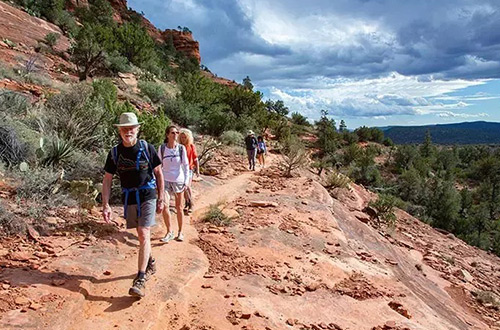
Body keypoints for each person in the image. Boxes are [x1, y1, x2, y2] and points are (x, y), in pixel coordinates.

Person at [101, 112, 164, 298]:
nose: (128, 131)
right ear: (119, 131)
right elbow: (107, 179)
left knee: (144, 232)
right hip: (129, 197)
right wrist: (105, 205)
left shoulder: (147, 148)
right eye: (124, 128)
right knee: (139, 233)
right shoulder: (114, 153)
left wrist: (161, 197)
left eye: (131, 128)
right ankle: (150, 261)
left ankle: (141, 279)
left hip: (148, 194)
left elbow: (159, 173)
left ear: (138, 129)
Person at [159, 125, 189, 243]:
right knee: (165, 206)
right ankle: (169, 231)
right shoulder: (162, 148)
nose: (175, 135)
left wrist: (187, 181)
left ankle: (180, 232)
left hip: (178, 180)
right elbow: (158, 165)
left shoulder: (181, 149)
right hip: (165, 180)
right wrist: (158, 180)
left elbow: (186, 166)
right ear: (167, 135)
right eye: (172, 133)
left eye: (176, 132)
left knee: (179, 207)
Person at [179, 128, 200, 214]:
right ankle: (186, 203)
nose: (183, 139)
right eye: (182, 137)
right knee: (183, 188)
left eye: (185, 137)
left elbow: (195, 159)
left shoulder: (191, 146)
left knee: (188, 186)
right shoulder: (179, 147)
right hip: (180, 170)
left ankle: (191, 203)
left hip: (189, 169)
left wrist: (197, 170)